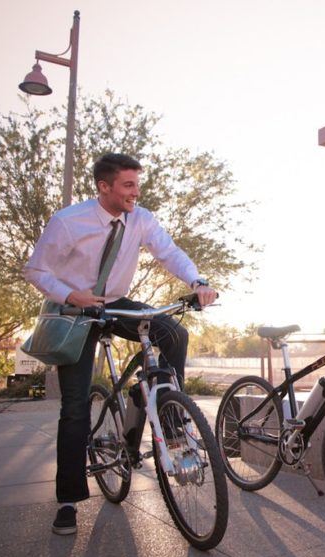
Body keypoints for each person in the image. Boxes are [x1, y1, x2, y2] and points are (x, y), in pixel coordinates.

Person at [24, 152, 217, 536]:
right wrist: (70, 294)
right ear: (104, 187)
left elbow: (168, 252)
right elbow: (35, 269)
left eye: (137, 184)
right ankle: (67, 501)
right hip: (74, 310)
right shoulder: (68, 222)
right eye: (128, 185)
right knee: (75, 406)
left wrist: (197, 281)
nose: (136, 192)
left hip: (115, 303)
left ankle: (167, 414)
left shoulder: (140, 219)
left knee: (173, 332)